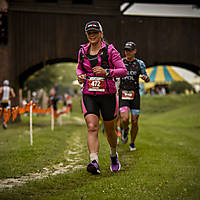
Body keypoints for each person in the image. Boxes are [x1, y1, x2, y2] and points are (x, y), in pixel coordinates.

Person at [76, 21, 127, 174]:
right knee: (92, 126)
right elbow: (79, 68)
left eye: (95, 32)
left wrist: (106, 72)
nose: (92, 35)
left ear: (101, 34)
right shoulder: (82, 51)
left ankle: (113, 156)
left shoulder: (110, 51)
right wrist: (80, 76)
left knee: (110, 129)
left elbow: (122, 71)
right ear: (87, 35)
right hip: (89, 94)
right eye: (89, 33)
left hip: (108, 95)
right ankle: (94, 162)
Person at [119, 41, 150, 151]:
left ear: (135, 51)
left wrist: (145, 78)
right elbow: (114, 74)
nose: (128, 52)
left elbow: (147, 78)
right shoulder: (120, 62)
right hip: (123, 93)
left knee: (135, 121)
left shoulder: (140, 63)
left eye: (130, 50)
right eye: (126, 50)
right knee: (124, 119)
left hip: (135, 94)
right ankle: (125, 130)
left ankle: (132, 143)